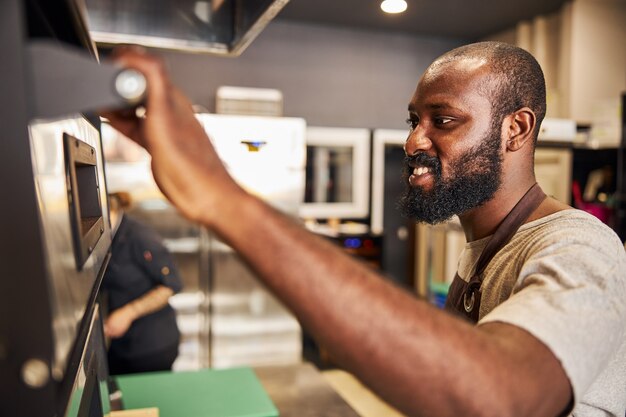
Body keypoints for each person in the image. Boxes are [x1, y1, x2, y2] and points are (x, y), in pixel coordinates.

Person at [103, 42, 626, 416]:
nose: (414, 142)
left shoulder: (582, 248)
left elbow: (503, 400)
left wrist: (223, 199)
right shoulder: (485, 245)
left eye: (443, 121)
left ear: (516, 129)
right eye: (413, 121)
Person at [102, 192, 183, 375]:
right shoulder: (106, 239)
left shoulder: (140, 237)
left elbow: (171, 285)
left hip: (152, 346)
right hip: (120, 344)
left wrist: (128, 313)